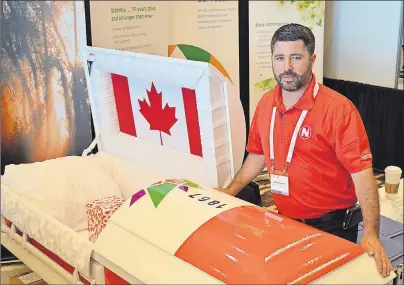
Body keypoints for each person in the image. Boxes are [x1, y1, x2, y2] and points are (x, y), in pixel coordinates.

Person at [219, 23, 392, 278]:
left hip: (331, 225)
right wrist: (230, 192)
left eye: (296, 57)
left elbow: (362, 176)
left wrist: (371, 234)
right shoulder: (267, 103)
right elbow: (257, 154)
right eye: (280, 58)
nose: (287, 67)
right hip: (284, 220)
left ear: (312, 59)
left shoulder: (338, 110)